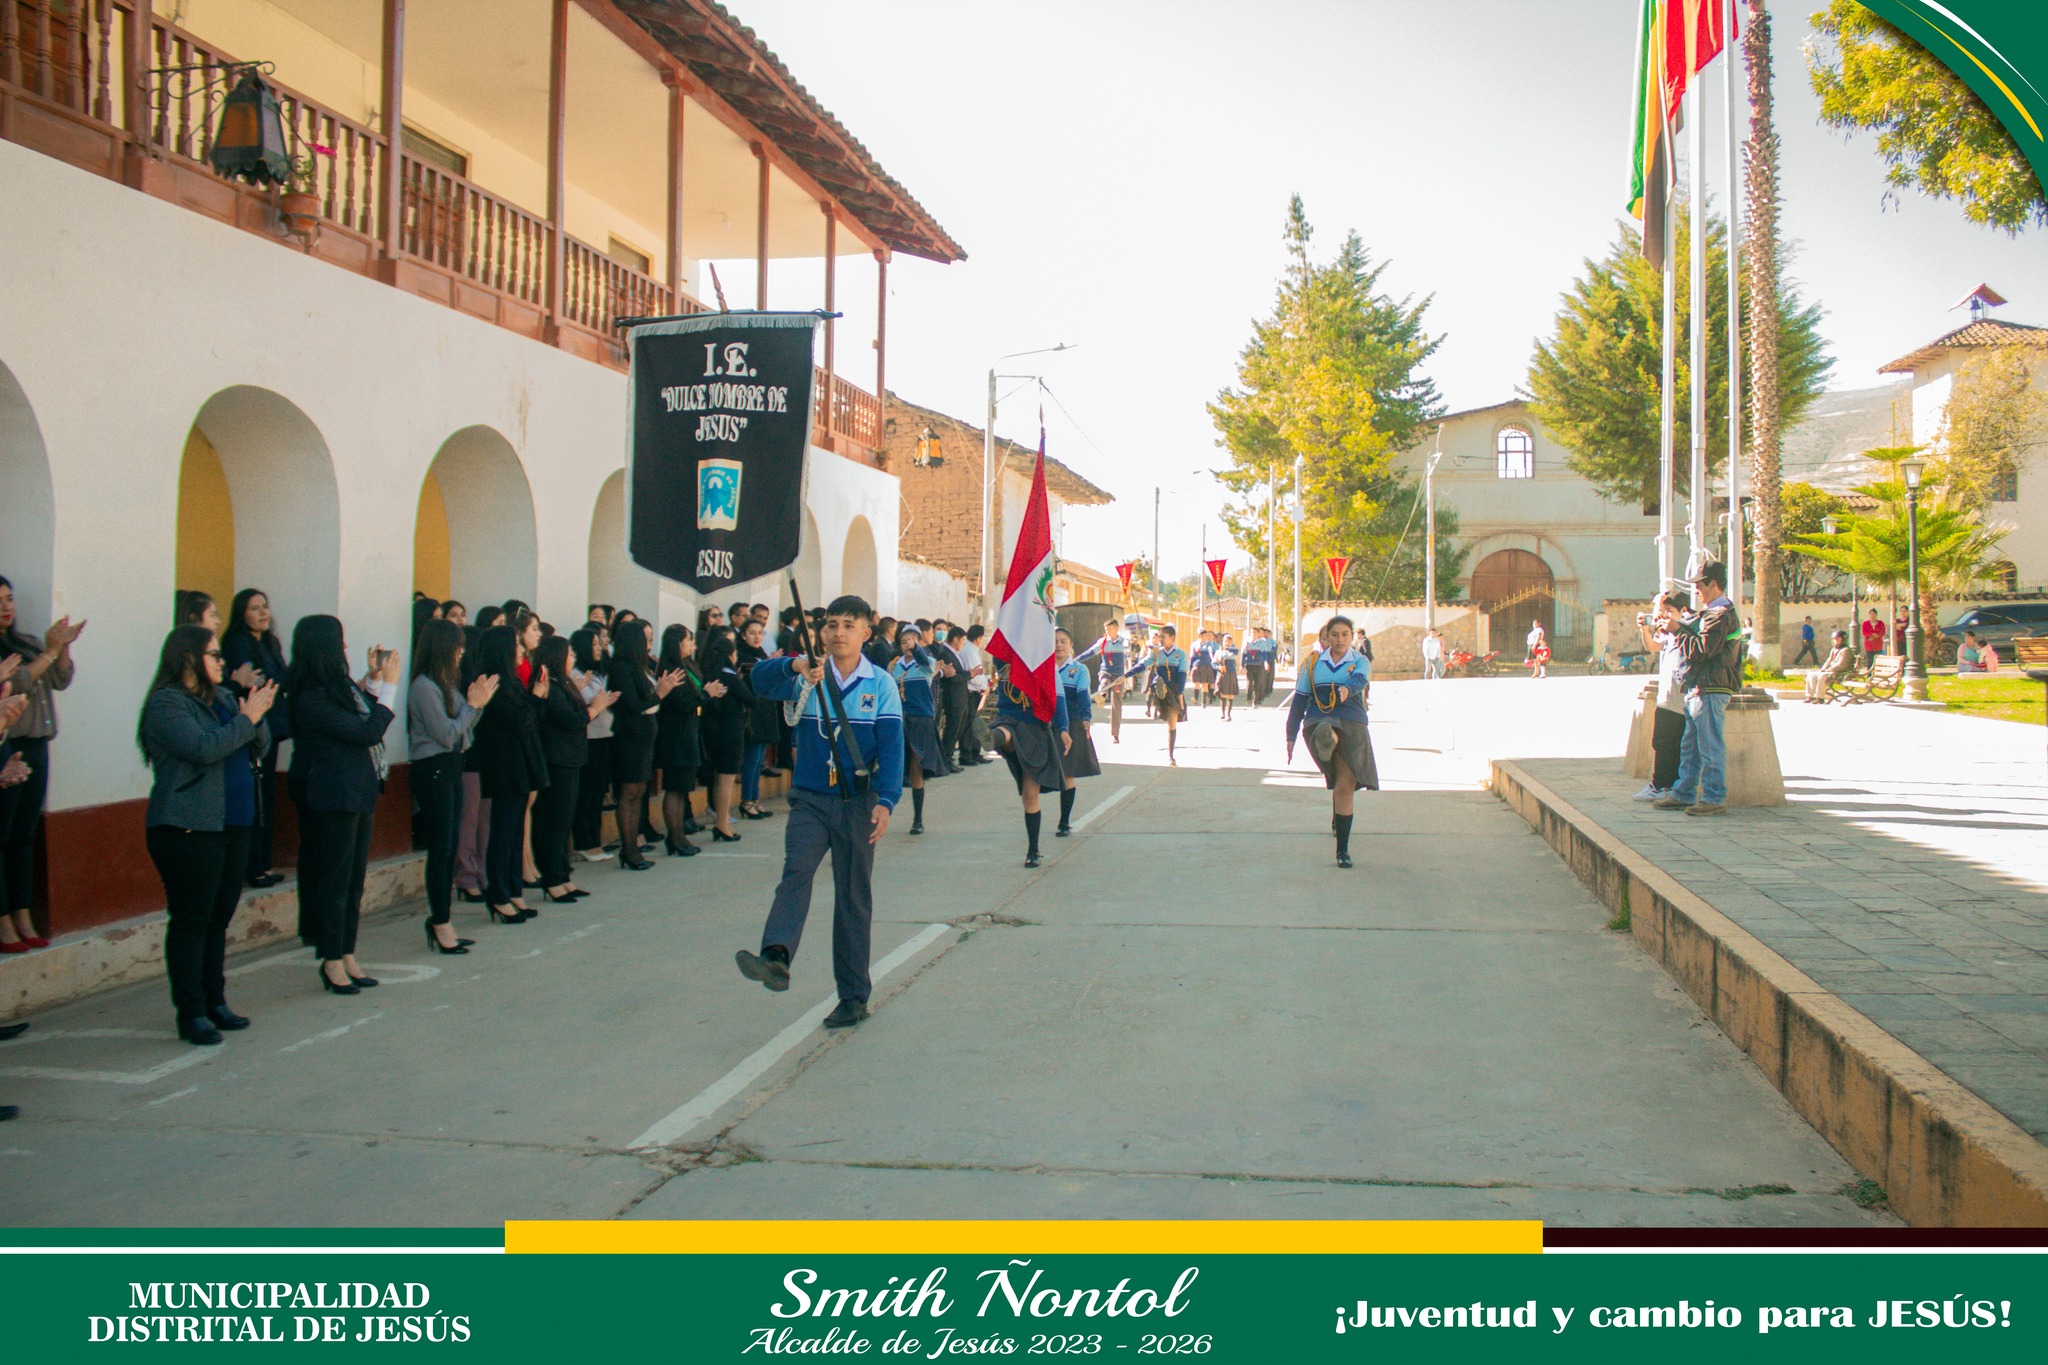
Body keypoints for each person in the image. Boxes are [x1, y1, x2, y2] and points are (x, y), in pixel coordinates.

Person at [735, 595, 903, 1030]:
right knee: (797, 872)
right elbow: (757, 679)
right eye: (831, 624)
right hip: (810, 798)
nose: (838, 632)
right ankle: (775, 955)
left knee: (852, 898)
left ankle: (852, 996)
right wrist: (793, 667)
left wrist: (886, 802)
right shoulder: (809, 676)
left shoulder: (880, 683)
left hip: (858, 803)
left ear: (867, 633)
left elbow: (892, 747)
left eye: (849, 624)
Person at [138, 624, 276, 1044]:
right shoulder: (167, 704)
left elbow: (260, 745)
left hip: (233, 822)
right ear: (188, 660)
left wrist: (254, 714)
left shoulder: (222, 698)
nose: (222, 662)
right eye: (214, 655)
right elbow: (203, 749)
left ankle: (215, 1000)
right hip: (187, 825)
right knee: (192, 919)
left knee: (219, 918)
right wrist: (246, 717)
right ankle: (191, 1011)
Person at [287, 616, 396, 994]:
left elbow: (360, 713)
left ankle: (347, 951)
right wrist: (390, 690)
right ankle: (331, 959)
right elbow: (367, 730)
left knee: (353, 880)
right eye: (340, 643)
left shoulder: (339, 686)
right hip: (333, 793)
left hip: (358, 789)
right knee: (334, 880)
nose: (346, 650)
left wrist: (374, 680)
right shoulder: (311, 695)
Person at [0, 577, 82, 953]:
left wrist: (61, 649)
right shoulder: (30, 651)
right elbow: (15, 684)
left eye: (10, 599)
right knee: (2, 834)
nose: (7, 607)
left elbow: (60, 679)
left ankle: (23, 913)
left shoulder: (28, 643)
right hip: (7, 745)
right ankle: (3, 921)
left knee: (24, 834)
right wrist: (49, 653)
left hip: (36, 745)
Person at [408, 618, 493, 952]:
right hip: (433, 769)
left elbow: (465, 730)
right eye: (456, 645)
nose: (461, 652)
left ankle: (444, 919)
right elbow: (446, 734)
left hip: (453, 765)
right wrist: (473, 706)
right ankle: (440, 921)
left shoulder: (446, 683)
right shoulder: (424, 686)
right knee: (441, 848)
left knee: (450, 844)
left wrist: (476, 704)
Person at [1284, 615, 1376, 868]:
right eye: (1334, 635)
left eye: (1345, 634)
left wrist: (1347, 690)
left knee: (1344, 787)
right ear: (1326, 637)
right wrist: (1290, 735)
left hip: (1353, 723)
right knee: (1325, 727)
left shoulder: (1360, 660)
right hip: (1318, 718)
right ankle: (1329, 736)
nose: (1339, 640)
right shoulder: (1312, 665)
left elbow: (1360, 680)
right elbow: (1299, 701)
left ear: (1351, 636)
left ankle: (1342, 851)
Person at [470, 624, 547, 920]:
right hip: (503, 766)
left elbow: (531, 720)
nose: (521, 649)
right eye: (515, 644)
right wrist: (537, 697)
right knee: (502, 833)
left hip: (521, 763)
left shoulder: (513, 681)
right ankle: (499, 896)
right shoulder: (494, 684)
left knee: (515, 831)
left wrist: (537, 697)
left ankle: (515, 890)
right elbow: (519, 720)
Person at [1654, 561, 1742, 818]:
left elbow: (1702, 649)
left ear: (1713, 583)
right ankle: (1684, 793)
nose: (1697, 591)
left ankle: (1714, 797)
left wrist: (1677, 630)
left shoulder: (1721, 613)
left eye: (1700, 585)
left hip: (1711, 686)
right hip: (1700, 686)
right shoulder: (1712, 613)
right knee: (1690, 746)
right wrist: (1678, 627)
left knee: (1709, 744)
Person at [531, 633, 611, 901]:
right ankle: (552, 879)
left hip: (572, 758)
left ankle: (563, 876)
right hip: (557, 760)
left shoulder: (565, 683)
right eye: (569, 654)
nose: (573, 658)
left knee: (564, 821)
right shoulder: (550, 685)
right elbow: (568, 719)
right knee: (554, 822)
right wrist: (595, 709)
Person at [220, 588, 291, 889]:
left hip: (271, 725)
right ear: (242, 614)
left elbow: (282, 679)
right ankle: (252, 866)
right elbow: (254, 681)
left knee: (268, 793)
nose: (263, 613)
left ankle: (263, 862)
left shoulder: (271, 642)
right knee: (256, 794)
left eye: (265, 606)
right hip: (250, 723)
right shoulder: (237, 642)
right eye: (254, 608)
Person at [607, 618, 681, 871]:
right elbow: (633, 704)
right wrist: (660, 692)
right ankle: (628, 849)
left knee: (639, 791)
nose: (649, 643)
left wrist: (660, 691)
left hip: (646, 734)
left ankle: (634, 846)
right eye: (645, 638)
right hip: (630, 735)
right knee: (629, 792)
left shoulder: (641, 666)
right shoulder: (621, 668)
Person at [889, 622, 950, 835]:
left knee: (917, 765)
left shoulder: (926, 662)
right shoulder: (894, 665)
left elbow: (924, 659)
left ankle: (917, 818)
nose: (907, 644)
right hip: (898, 719)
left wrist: (917, 649)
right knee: (891, 761)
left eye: (911, 640)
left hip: (920, 718)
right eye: (903, 641)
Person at [654, 624, 706, 856]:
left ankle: (680, 835)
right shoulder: (669, 668)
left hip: (690, 731)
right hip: (676, 734)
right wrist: (707, 695)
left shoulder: (688, 665)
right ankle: (674, 837)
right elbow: (682, 702)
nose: (691, 645)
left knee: (683, 788)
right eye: (687, 641)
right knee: (675, 788)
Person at [1633, 593, 1689, 798]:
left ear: (1683, 611)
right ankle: (1661, 785)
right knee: (1662, 742)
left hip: (1681, 699)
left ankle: (1667, 786)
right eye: (1662, 612)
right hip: (1666, 697)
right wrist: (1644, 629)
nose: (1665, 616)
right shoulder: (1667, 632)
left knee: (1675, 744)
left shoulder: (1686, 630)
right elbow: (1653, 646)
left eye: (1669, 612)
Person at [568, 625, 615, 862]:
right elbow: (583, 706)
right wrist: (598, 704)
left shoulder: (597, 673)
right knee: (586, 793)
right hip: (589, 738)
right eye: (594, 644)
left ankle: (595, 839)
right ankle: (585, 842)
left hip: (604, 736)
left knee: (597, 792)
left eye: (600, 643)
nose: (599, 648)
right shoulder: (576, 675)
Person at [699, 629, 748, 843]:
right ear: (731, 654)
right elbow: (750, 698)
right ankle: (722, 823)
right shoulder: (728, 675)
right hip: (730, 730)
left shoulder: (709, 672)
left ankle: (722, 822)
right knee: (726, 781)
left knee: (719, 778)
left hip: (714, 730)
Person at [1052, 629, 1099, 834]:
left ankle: (1064, 821)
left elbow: (1082, 696)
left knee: (1067, 772)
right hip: (1045, 725)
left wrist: (1085, 719)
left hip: (1071, 725)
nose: (1059, 645)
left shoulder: (1079, 670)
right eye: (1055, 641)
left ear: (1071, 645)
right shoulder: (1042, 668)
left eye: (1063, 641)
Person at [736, 616, 779, 821]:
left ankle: (754, 799)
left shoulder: (761, 654)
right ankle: (746, 801)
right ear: (743, 635)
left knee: (760, 757)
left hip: (765, 709)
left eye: (760, 633)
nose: (756, 637)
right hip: (752, 712)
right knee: (751, 759)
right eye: (752, 633)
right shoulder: (742, 656)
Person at [1129, 626, 1189, 767]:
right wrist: (1126, 675)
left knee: (1172, 723)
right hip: (1162, 689)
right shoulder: (1156, 653)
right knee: (1157, 681)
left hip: (1174, 690)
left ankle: (1171, 756)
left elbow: (1182, 674)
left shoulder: (1180, 654)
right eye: (1159, 636)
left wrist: (1180, 693)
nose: (1160, 639)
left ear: (1172, 638)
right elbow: (1143, 664)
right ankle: (1157, 690)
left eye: (1163, 637)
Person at [1073, 616, 1130, 742]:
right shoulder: (1102, 642)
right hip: (1106, 671)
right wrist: (1074, 661)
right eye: (1106, 629)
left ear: (1116, 629)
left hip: (1119, 676)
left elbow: (1129, 659)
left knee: (1117, 704)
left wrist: (1126, 676)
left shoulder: (1124, 643)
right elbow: (1089, 653)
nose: (1107, 632)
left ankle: (1115, 734)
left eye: (1109, 629)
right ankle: (1102, 696)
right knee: (1104, 682)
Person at [940, 625, 981, 765]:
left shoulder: (955, 653)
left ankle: (948, 757)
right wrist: (970, 674)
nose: (964, 644)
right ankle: (946, 758)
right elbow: (953, 677)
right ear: (955, 639)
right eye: (963, 640)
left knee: (958, 728)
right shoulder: (946, 653)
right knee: (952, 729)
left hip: (961, 697)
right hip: (953, 697)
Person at [955, 624, 992, 766]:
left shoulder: (971, 650)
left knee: (974, 723)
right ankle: (967, 754)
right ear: (978, 638)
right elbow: (975, 675)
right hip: (972, 692)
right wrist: (985, 685)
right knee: (969, 725)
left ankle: (975, 752)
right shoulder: (969, 652)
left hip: (976, 691)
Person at [1804, 630, 1856, 701]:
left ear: (1843, 639)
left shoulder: (1846, 650)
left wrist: (1827, 670)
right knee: (1811, 674)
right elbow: (1828, 661)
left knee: (1822, 676)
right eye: (1834, 639)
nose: (1835, 641)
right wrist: (1823, 668)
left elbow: (1841, 665)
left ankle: (1820, 698)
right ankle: (1810, 696)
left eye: (1837, 639)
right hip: (1831, 671)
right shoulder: (1834, 649)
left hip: (1840, 673)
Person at [1214, 633, 1241, 719]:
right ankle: (1222, 713)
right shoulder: (1218, 652)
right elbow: (1213, 663)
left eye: (1229, 641)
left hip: (1231, 673)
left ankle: (1229, 714)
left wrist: (1227, 648)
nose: (1227, 642)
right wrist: (1219, 667)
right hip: (1223, 674)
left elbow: (1237, 651)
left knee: (1230, 694)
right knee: (1223, 694)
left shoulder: (1234, 651)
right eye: (1226, 641)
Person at [1190, 630, 1217, 708]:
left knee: (1205, 684)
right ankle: (1195, 699)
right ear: (1200, 636)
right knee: (1197, 683)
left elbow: (1212, 654)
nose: (1206, 637)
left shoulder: (1209, 645)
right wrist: (1190, 667)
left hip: (1206, 665)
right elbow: (1192, 656)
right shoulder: (1194, 644)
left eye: (1207, 636)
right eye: (1205, 636)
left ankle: (1203, 702)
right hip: (1197, 665)